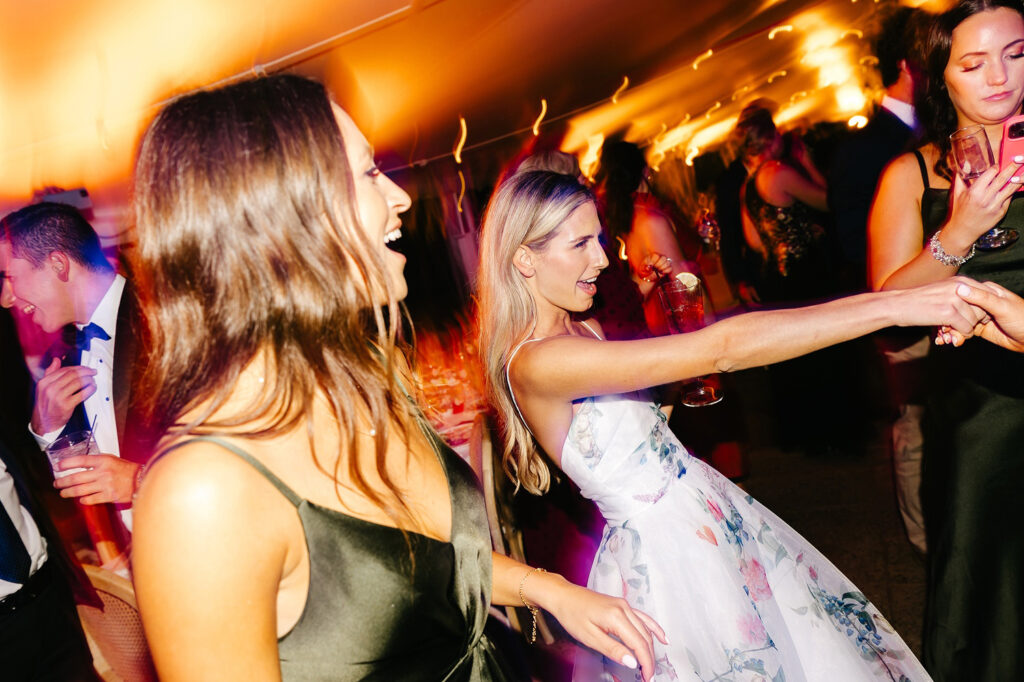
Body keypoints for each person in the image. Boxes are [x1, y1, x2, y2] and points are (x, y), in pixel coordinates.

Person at [129, 74, 666, 681]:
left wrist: (550, 591)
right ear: (281, 215)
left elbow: (426, 571)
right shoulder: (201, 492)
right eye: (365, 174)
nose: (401, 197)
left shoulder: (362, 384)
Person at [476, 170, 987, 681]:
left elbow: (631, 435)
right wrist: (894, 306)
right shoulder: (536, 363)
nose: (603, 258)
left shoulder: (581, 324)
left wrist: (669, 368)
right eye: (580, 243)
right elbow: (723, 348)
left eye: (600, 238)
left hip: (704, 510)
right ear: (524, 257)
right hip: (670, 556)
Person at [867, 1, 1024, 678]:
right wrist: (959, 233)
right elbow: (884, 312)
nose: (1001, 77)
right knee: (989, 596)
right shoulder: (912, 176)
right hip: (979, 418)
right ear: (941, 76)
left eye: (1017, 54)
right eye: (974, 61)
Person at [0, 202, 146, 535]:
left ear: (57, 264)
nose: (6, 299)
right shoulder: (61, 357)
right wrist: (47, 428)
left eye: (10, 277)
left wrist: (140, 480)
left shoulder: (171, 321)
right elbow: (67, 497)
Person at [738, 108, 831, 303]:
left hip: (774, 281)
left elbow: (754, 241)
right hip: (806, 274)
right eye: (777, 132)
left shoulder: (747, 187)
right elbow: (828, 202)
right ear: (769, 140)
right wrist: (808, 164)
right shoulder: (778, 173)